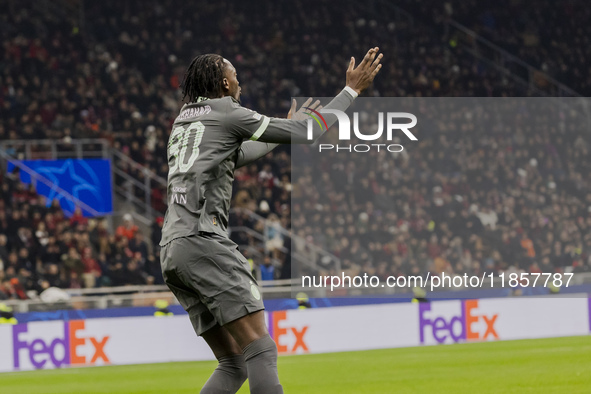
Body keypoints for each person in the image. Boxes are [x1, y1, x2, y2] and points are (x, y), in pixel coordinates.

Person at [160, 48, 383, 394]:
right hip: (204, 240)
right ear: (223, 82)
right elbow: (308, 132)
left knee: (233, 363)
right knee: (260, 349)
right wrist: (351, 91)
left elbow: (238, 154)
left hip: (173, 249)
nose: (239, 80)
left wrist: (278, 132)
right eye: (234, 74)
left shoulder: (185, 121)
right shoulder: (227, 110)